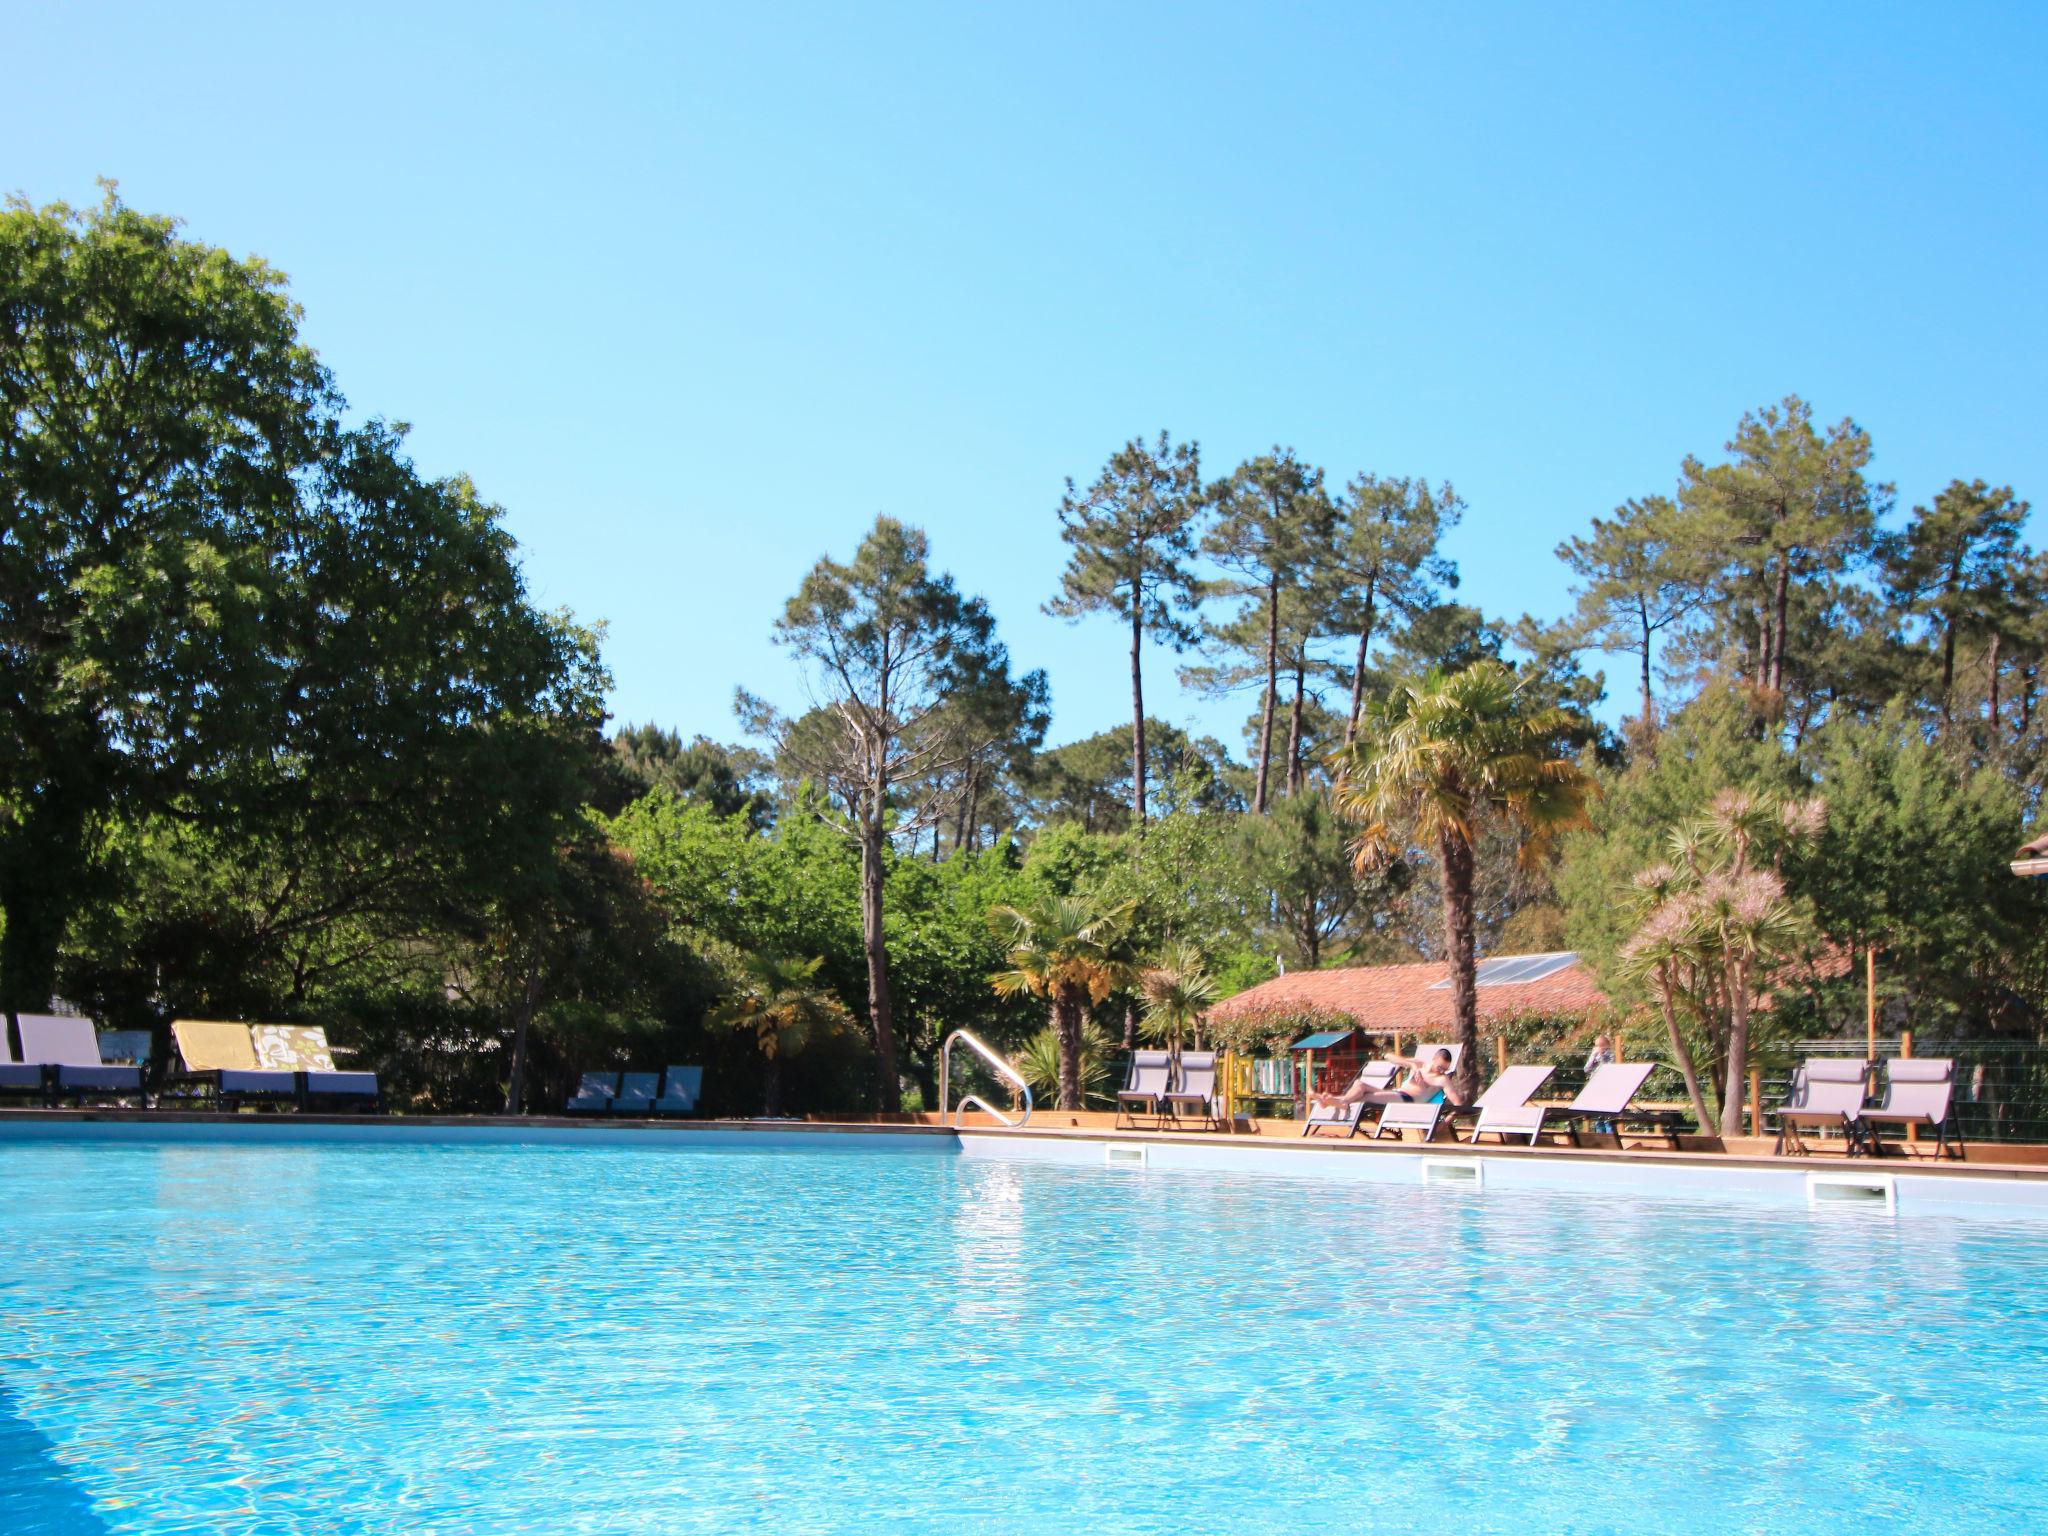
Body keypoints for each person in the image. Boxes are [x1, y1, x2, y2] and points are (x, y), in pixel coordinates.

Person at [1307, 1048, 1465, 1112]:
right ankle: (1332, 1101)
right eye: (1440, 1067)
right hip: (1397, 1094)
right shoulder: (1420, 1065)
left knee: (1367, 1097)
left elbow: (1457, 1102)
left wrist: (1447, 1121)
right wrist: (1410, 1065)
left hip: (1408, 1100)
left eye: (1445, 1069)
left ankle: (1331, 1101)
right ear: (1434, 1059)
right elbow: (1388, 1056)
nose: (1442, 1071)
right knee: (1359, 1084)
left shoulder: (1442, 1080)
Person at [1584, 1034, 1616, 1134]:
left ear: (1607, 1045)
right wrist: (1593, 1056)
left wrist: (1602, 1056)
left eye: (1601, 1045)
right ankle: (1600, 1136)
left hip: (1607, 1087)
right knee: (1598, 1117)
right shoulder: (1594, 1055)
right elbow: (1586, 1069)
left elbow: (1608, 1069)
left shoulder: (1610, 1055)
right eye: (1597, 1045)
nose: (1598, 1048)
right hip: (1596, 1087)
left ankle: (1610, 1138)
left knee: (1607, 1117)